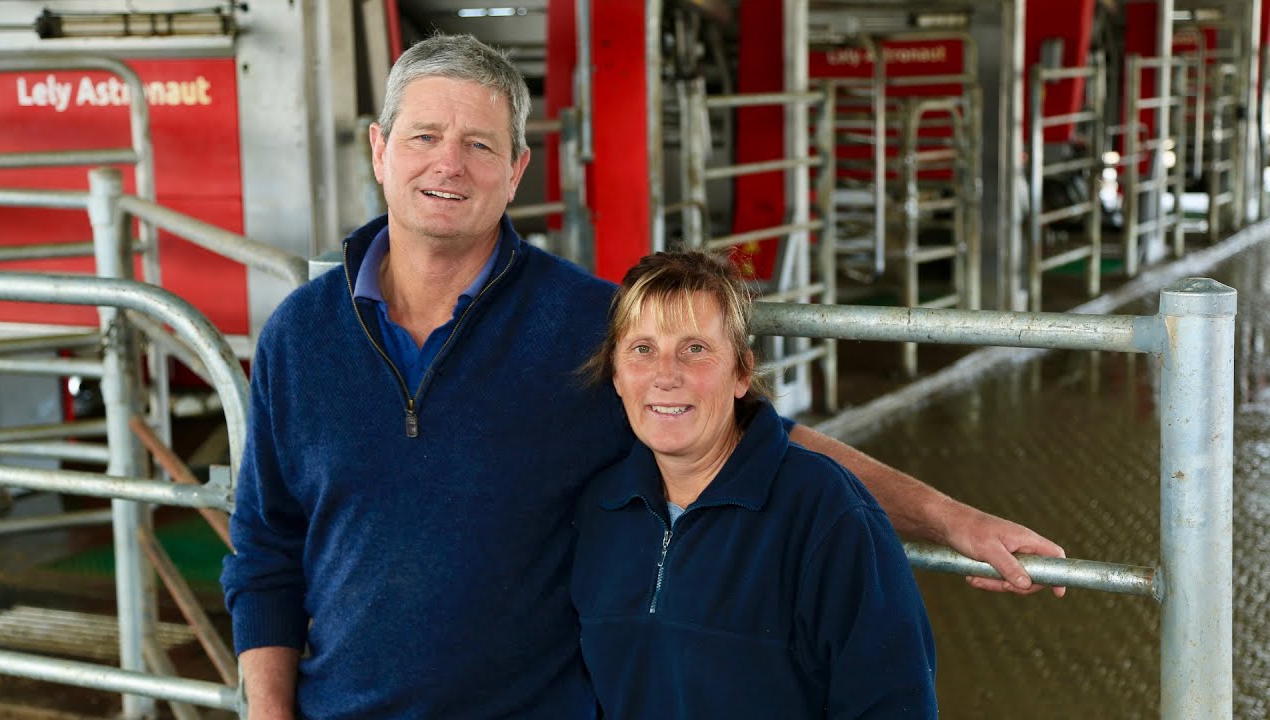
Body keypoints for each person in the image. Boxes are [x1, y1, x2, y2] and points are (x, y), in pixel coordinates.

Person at [221, 33, 1062, 720]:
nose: (450, 165)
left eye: (480, 145)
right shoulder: (300, 334)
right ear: (380, 150)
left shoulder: (591, 326)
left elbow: (756, 442)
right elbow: (266, 549)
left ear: (516, 172)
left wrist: (950, 519)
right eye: (424, 138)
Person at [571, 250, 936, 718]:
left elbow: (893, 703)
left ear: (742, 372)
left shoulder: (824, 510)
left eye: (695, 349)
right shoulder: (599, 510)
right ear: (617, 374)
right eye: (642, 350)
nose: (666, 375)